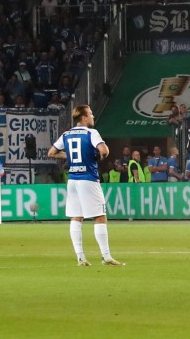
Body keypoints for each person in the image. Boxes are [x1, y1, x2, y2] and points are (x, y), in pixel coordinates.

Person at [46, 105, 123, 267]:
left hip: (73, 180)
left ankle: (80, 258)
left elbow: (51, 152)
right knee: (100, 216)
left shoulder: (66, 134)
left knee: (76, 216)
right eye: (91, 114)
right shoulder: (91, 133)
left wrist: (70, 155)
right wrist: (97, 154)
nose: (93, 116)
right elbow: (105, 151)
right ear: (84, 117)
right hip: (88, 179)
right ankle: (106, 256)